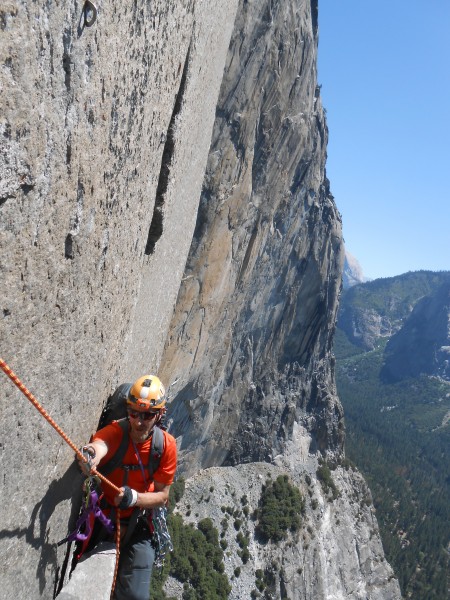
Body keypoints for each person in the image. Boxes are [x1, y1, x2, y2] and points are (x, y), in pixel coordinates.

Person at [78, 374, 177, 600]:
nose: (139, 421)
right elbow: (100, 445)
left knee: (135, 596)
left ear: (160, 415)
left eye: (148, 415)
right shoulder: (117, 432)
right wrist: (90, 456)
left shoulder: (166, 446)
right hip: (104, 518)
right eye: (133, 413)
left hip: (138, 523)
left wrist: (134, 499)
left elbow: (162, 496)